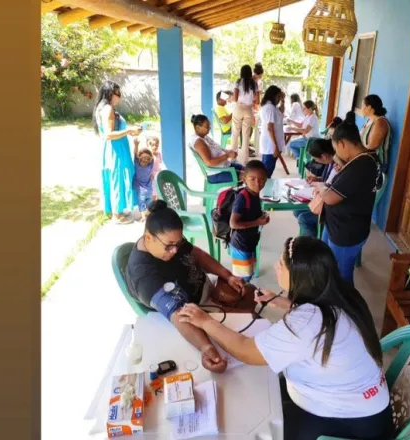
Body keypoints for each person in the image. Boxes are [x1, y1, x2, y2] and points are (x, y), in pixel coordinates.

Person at [178, 236, 395, 440]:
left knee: (262, 419)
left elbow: (246, 350)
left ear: (299, 276)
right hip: (369, 408)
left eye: (281, 264)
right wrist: (280, 302)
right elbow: (321, 314)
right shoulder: (343, 293)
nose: (275, 267)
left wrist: (205, 321)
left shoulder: (306, 322)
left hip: (353, 425)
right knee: (271, 388)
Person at [125, 201, 256, 374]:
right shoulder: (144, 276)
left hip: (206, 288)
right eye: (169, 246)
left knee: (250, 293)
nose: (175, 250)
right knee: (250, 323)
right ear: (148, 237)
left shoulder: (170, 239)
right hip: (197, 310)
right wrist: (206, 347)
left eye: (178, 244)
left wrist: (227, 276)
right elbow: (179, 314)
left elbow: (197, 254)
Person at [314, 112, 383, 285]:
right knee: (330, 266)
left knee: (342, 278)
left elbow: (329, 198)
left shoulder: (359, 167)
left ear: (342, 143)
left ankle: (347, 309)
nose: (336, 153)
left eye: (336, 148)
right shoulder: (367, 158)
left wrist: (321, 187)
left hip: (346, 232)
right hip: (340, 224)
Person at [93, 80, 141, 224]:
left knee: (115, 177)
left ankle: (117, 210)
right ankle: (117, 214)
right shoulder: (108, 109)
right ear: (110, 94)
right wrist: (129, 130)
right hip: (116, 150)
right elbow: (109, 134)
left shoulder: (101, 108)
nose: (119, 97)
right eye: (117, 94)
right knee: (118, 178)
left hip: (111, 148)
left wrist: (128, 131)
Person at [229, 160, 270, 282]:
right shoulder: (242, 197)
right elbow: (233, 223)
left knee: (248, 274)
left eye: (261, 179)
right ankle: (239, 300)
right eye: (252, 179)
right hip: (241, 245)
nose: (257, 183)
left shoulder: (255, 194)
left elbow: (250, 214)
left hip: (250, 242)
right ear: (244, 178)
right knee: (242, 279)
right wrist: (257, 222)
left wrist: (261, 217)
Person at [293, 139, 340, 238]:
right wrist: (317, 179)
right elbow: (327, 180)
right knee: (297, 210)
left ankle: (312, 246)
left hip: (329, 206)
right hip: (323, 199)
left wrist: (319, 186)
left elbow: (330, 186)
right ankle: (309, 234)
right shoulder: (330, 163)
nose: (316, 161)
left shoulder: (337, 166)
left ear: (324, 156)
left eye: (316, 159)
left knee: (304, 218)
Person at [189, 114, 244, 184]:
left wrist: (228, 152)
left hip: (223, 166)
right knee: (248, 176)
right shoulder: (198, 142)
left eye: (209, 125)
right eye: (207, 126)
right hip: (216, 173)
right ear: (197, 127)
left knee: (248, 170)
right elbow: (209, 162)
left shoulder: (204, 137)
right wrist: (227, 155)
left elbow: (217, 148)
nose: (209, 128)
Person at [232, 65, 260, 165]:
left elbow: (235, 98)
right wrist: (250, 99)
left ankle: (233, 158)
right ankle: (244, 161)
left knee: (235, 133)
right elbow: (257, 101)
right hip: (249, 109)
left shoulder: (238, 82)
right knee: (246, 135)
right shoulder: (254, 84)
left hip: (238, 108)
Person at [259, 85, 285, 178]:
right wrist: (275, 146)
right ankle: (262, 190)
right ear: (273, 96)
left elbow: (281, 112)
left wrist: (283, 101)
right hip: (271, 145)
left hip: (271, 144)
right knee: (266, 172)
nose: (279, 99)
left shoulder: (272, 107)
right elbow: (270, 128)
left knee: (266, 170)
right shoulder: (270, 108)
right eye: (278, 97)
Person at [360, 94, 392, 170]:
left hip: (376, 165)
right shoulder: (369, 120)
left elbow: (372, 146)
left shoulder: (381, 122)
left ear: (369, 108)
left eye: (362, 106)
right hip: (366, 160)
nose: (361, 109)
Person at [132, 138, 154, 220]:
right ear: (139, 158)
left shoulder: (148, 164)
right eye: (143, 158)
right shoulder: (140, 164)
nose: (145, 160)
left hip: (146, 188)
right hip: (144, 188)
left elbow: (151, 155)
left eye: (147, 159)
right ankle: (144, 216)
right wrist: (136, 145)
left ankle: (146, 215)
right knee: (144, 202)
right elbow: (135, 154)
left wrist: (137, 145)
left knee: (146, 202)